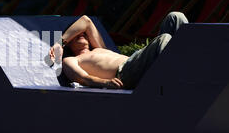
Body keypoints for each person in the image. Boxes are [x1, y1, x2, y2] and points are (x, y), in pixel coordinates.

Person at [49, 12, 188, 90]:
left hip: (137, 60)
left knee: (175, 17)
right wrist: (105, 83)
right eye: (76, 35)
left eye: (84, 34)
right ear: (69, 45)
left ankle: (191, 59)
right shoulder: (71, 60)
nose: (81, 34)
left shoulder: (99, 48)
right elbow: (83, 79)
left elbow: (86, 21)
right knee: (164, 39)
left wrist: (60, 41)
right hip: (125, 73)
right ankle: (185, 73)